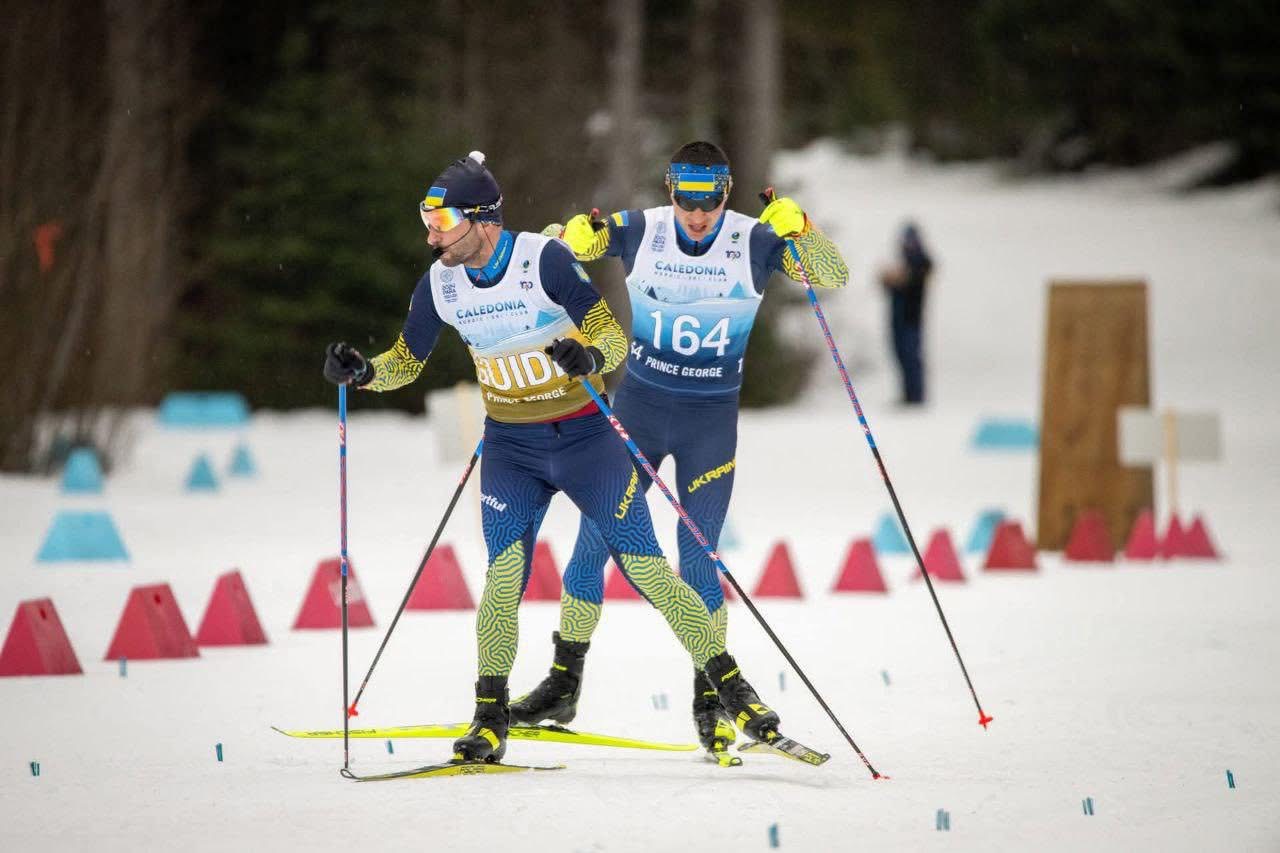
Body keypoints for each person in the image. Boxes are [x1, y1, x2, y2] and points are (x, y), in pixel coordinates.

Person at [322, 151, 781, 764]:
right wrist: (365, 373)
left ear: (483, 221)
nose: (430, 234)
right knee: (504, 577)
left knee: (647, 571)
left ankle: (731, 688)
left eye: (441, 219)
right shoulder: (441, 281)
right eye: (424, 219)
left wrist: (588, 355)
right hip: (512, 448)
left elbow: (613, 336)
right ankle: (489, 718)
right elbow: (407, 361)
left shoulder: (546, 260)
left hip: (587, 442)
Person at [511, 141, 849, 756]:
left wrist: (800, 227)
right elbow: (557, 250)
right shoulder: (641, 230)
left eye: (711, 201)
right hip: (636, 413)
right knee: (592, 546)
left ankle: (708, 698)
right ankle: (563, 683)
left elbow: (833, 275)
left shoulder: (753, 239)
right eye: (688, 200)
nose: (698, 215)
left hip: (708, 424)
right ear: (670, 190)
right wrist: (564, 234)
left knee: (698, 558)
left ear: (726, 192)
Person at [878, 222, 933, 405]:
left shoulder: (922, 262)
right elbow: (886, 282)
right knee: (900, 356)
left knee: (912, 358)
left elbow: (911, 279)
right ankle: (907, 395)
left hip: (912, 319)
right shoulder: (902, 262)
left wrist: (897, 279)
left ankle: (916, 397)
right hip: (897, 319)